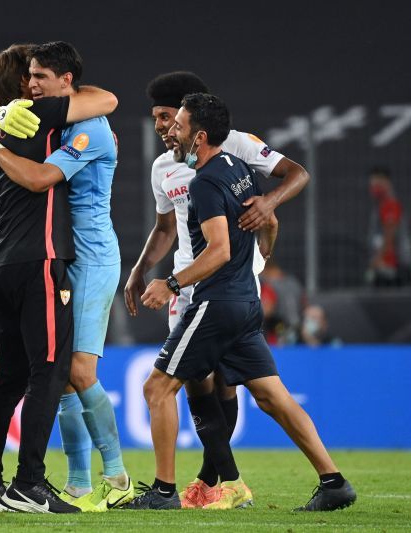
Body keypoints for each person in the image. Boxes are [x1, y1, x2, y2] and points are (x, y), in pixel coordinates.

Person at [128, 93, 356, 512]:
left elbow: (215, 252)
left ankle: (162, 493)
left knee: (157, 387)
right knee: (272, 396)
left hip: (216, 303)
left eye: (176, 125)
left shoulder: (205, 182)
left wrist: (171, 284)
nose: (169, 131)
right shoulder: (239, 170)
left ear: (198, 137)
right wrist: (264, 240)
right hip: (246, 301)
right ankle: (334, 481)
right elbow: (268, 221)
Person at [0, 41, 131, 512]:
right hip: (56, 256)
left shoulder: (87, 127)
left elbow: (43, 177)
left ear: (65, 82)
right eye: (30, 76)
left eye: (42, 77)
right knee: (55, 376)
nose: (34, 84)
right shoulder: (46, 120)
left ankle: (116, 476)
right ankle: (78, 482)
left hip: (91, 257)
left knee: (76, 371)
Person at [366, 166, 411, 286]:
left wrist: (378, 260)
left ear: (387, 183)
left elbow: (389, 236)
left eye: (377, 183)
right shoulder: (381, 205)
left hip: (393, 267)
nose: (374, 187)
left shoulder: (390, 204)